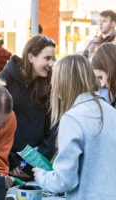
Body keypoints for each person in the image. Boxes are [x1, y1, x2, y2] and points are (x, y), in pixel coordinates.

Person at [33, 54, 116, 200]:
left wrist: (41, 176)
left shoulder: (73, 118)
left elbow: (65, 180)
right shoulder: (111, 112)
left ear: (62, 84)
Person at [0, 35, 57, 179]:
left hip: (37, 166)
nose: (51, 63)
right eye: (47, 58)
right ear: (31, 57)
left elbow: (53, 126)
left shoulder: (49, 82)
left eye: (53, 59)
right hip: (9, 164)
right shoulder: (6, 79)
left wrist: (36, 163)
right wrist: (10, 159)